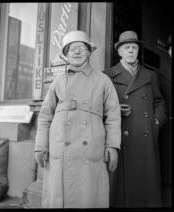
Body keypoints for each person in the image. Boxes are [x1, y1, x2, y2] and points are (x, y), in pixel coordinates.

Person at [34, 30, 121, 208]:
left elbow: (113, 116)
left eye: (81, 47)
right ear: (66, 54)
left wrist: (112, 146)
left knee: (87, 197)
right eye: (71, 48)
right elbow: (44, 117)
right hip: (60, 148)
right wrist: (41, 146)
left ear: (89, 52)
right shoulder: (58, 81)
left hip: (90, 150)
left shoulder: (103, 81)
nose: (76, 51)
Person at [107, 30, 167, 207]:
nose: (131, 51)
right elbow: (98, 105)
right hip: (120, 140)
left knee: (146, 192)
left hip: (146, 141)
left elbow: (160, 103)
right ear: (119, 52)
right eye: (127, 47)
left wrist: (155, 122)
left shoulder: (151, 75)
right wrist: (115, 110)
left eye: (134, 47)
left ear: (138, 51)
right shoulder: (107, 75)